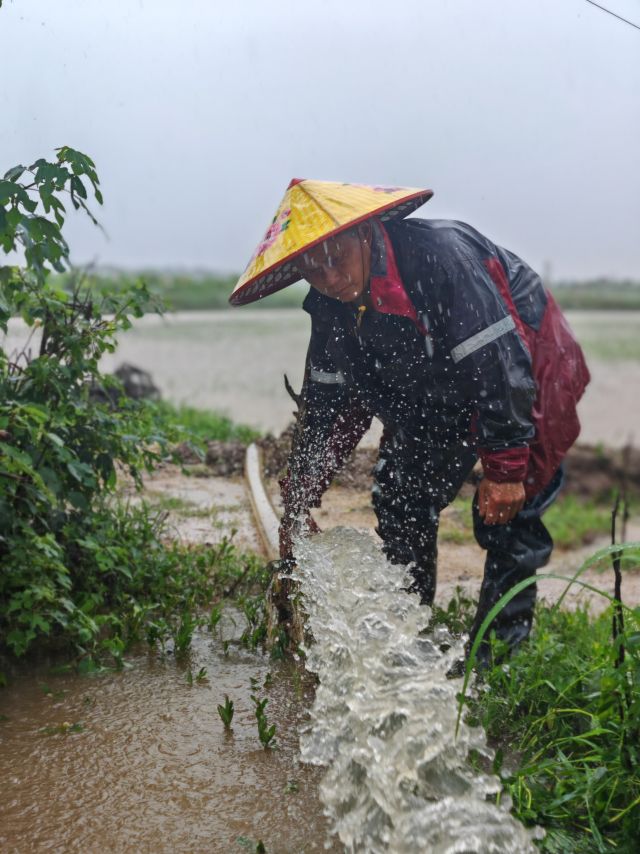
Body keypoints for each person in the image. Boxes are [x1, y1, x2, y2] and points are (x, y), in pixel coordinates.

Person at [230, 179, 590, 665]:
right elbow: (328, 404)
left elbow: (497, 364)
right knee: (401, 498)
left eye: (337, 258)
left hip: (526, 370)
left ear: (365, 234)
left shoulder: (441, 258)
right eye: (313, 271)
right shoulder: (330, 308)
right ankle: (407, 633)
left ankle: (497, 662)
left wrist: (504, 468)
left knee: (510, 518)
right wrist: (300, 498)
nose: (330, 278)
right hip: (435, 387)